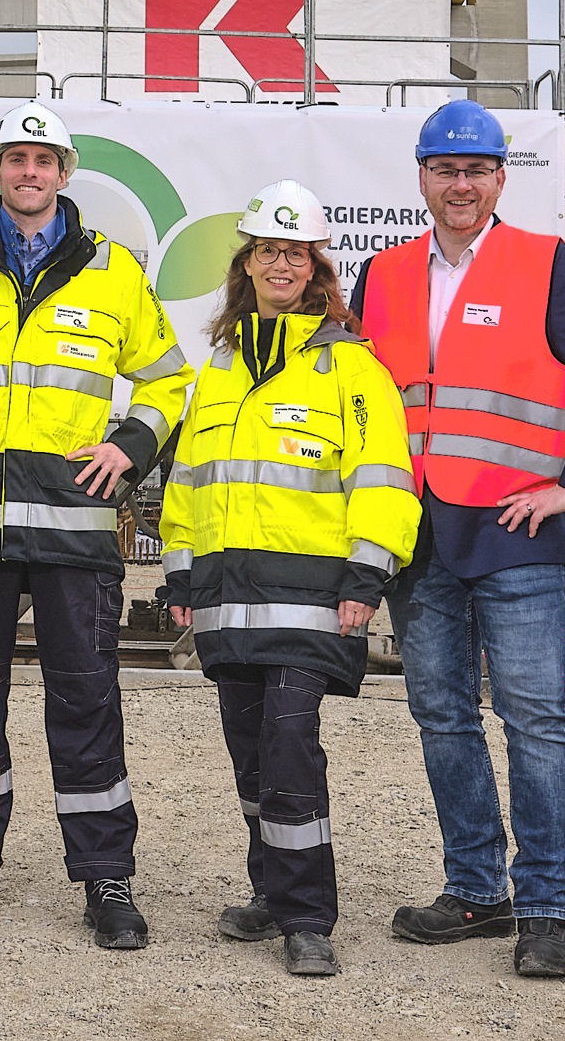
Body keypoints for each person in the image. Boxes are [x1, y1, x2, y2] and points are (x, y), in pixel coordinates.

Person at [351, 98, 565, 979]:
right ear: (423, 177)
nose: (461, 184)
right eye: (446, 169)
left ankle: (546, 909)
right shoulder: (384, 274)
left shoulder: (545, 265)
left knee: (535, 722)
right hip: (420, 534)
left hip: (513, 529)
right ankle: (477, 890)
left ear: (499, 180)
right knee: (442, 716)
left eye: (477, 170)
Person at [0, 101, 193, 949]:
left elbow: (169, 380)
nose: (29, 173)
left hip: (73, 530)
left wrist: (129, 446)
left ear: (67, 175)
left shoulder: (113, 273)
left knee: (87, 703)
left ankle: (106, 878)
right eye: (14, 159)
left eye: (44, 160)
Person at [161, 182, 419, 978]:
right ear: (248, 266)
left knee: (288, 743)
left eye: (295, 253)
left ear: (316, 271)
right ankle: (271, 892)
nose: (281, 264)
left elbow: (383, 480)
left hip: (312, 599)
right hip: (227, 598)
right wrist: (179, 580)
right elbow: (188, 482)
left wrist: (365, 579)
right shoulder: (222, 365)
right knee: (249, 752)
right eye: (267, 250)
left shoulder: (350, 366)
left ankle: (308, 916)